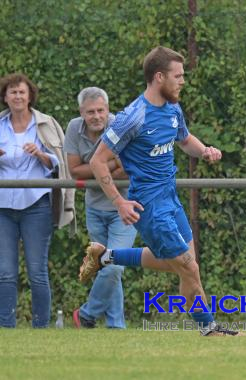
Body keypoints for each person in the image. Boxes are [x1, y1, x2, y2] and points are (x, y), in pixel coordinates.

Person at [78, 46, 243, 336]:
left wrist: (204, 151)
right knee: (188, 267)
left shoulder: (172, 108)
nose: (182, 81)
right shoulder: (133, 116)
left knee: (183, 265)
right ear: (158, 77)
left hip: (171, 198)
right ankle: (209, 329)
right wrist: (119, 202)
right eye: (177, 76)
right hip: (150, 206)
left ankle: (107, 257)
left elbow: (184, 139)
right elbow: (97, 160)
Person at [0, 73, 75, 328]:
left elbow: (59, 164)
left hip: (37, 206)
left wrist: (41, 155)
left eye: (22, 92)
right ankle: (6, 328)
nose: (18, 96)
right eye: (13, 92)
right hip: (3, 207)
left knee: (37, 272)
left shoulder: (46, 124)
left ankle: (41, 328)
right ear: (5, 97)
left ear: (30, 96)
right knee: (6, 273)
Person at [64, 87, 137, 329]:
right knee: (107, 265)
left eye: (100, 111)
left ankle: (86, 314)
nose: (96, 116)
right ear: (81, 113)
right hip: (94, 208)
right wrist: (107, 166)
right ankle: (116, 326)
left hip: (125, 206)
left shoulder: (120, 125)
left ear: (108, 110)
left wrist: (98, 167)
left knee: (114, 263)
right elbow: (74, 170)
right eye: (90, 112)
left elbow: (129, 166)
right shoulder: (74, 128)